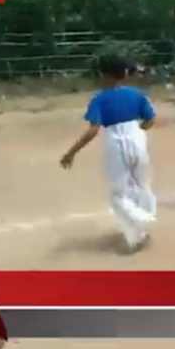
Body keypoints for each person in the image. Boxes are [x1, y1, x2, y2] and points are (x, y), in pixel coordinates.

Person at [59, 54, 157, 252]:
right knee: (140, 185)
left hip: (116, 145)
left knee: (118, 194)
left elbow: (93, 130)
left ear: (103, 75)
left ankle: (139, 225)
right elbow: (150, 119)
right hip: (138, 141)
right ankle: (141, 227)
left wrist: (71, 153)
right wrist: (137, 133)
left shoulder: (100, 99)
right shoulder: (136, 94)